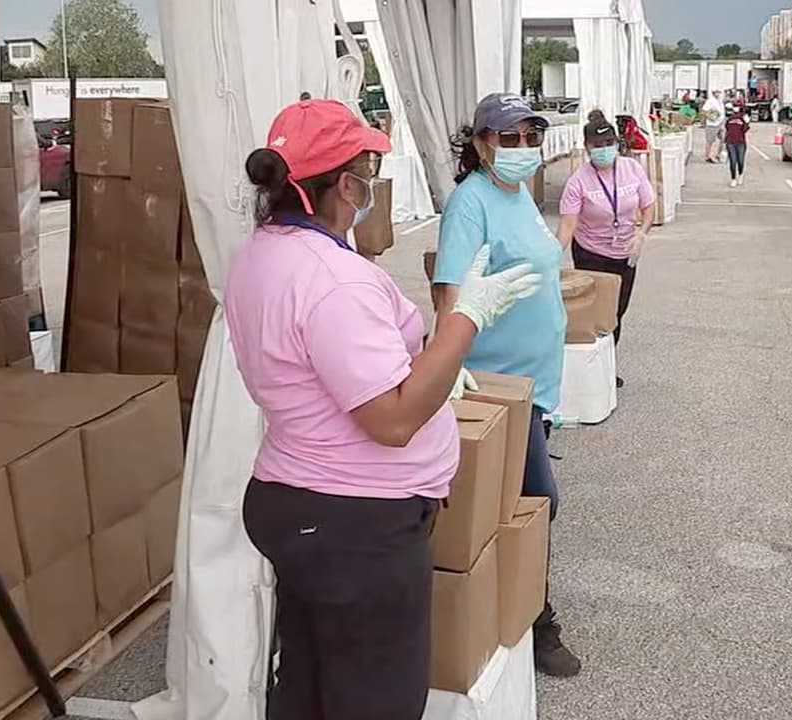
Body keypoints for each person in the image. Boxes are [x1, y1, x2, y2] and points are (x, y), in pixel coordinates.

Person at [226, 99, 540, 719]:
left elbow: (338, 374)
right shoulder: (334, 280)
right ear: (345, 185)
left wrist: (432, 365)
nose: (374, 188)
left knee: (310, 687)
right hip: (353, 525)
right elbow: (392, 422)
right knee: (375, 700)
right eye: (369, 172)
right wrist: (467, 319)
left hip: (301, 501)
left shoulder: (264, 251)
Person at [431, 92, 583, 678]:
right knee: (535, 505)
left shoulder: (518, 195)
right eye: (508, 138)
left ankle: (515, 606)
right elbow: (451, 291)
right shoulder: (471, 204)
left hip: (536, 386)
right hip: (500, 386)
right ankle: (538, 621)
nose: (522, 149)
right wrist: (447, 358)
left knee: (526, 503)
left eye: (530, 137)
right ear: (480, 143)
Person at [557, 116, 657, 384]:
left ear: (617, 143)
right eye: (598, 144)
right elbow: (568, 225)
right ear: (587, 148)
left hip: (626, 252)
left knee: (616, 312)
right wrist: (552, 256)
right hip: (591, 252)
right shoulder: (578, 181)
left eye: (609, 142)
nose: (604, 149)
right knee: (593, 313)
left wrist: (642, 232)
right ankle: (592, 372)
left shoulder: (632, 169)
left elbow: (648, 206)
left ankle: (607, 366)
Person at [723, 106, 749, 188]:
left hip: (739, 142)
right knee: (734, 161)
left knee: (739, 161)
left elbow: (745, 129)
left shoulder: (742, 119)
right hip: (731, 142)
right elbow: (727, 128)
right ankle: (733, 178)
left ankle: (740, 175)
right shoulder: (730, 119)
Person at [703, 90, 726, 163]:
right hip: (712, 124)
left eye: (719, 92)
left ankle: (718, 154)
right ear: (713, 93)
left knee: (723, 139)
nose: (718, 94)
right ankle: (708, 156)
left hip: (720, 123)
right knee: (711, 141)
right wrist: (712, 115)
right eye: (716, 92)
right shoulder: (710, 101)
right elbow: (704, 111)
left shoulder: (720, 101)